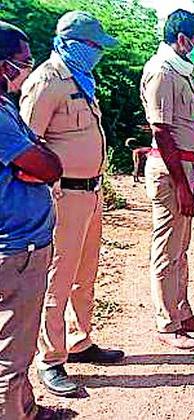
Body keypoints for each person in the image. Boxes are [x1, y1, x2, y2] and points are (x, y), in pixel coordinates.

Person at [19, 11, 124, 397]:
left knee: (85, 272)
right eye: (93, 45)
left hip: (91, 194)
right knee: (57, 278)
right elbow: (26, 145)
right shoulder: (47, 81)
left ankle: (80, 341)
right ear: (71, 43)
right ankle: (50, 359)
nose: (97, 52)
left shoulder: (81, 79)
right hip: (62, 196)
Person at [140, 9, 194, 351]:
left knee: (180, 248)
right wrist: (183, 186)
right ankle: (167, 323)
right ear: (183, 38)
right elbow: (161, 132)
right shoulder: (162, 71)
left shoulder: (180, 70)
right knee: (166, 250)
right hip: (171, 171)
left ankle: (183, 313)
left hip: (185, 168)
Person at [0, 21, 63, 419]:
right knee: (11, 352)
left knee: (18, 340)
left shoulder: (6, 106)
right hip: (14, 247)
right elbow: (46, 166)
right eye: (21, 61)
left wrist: (40, 160)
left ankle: (27, 409)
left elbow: (38, 158)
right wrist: (43, 162)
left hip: (24, 244)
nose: (26, 68)